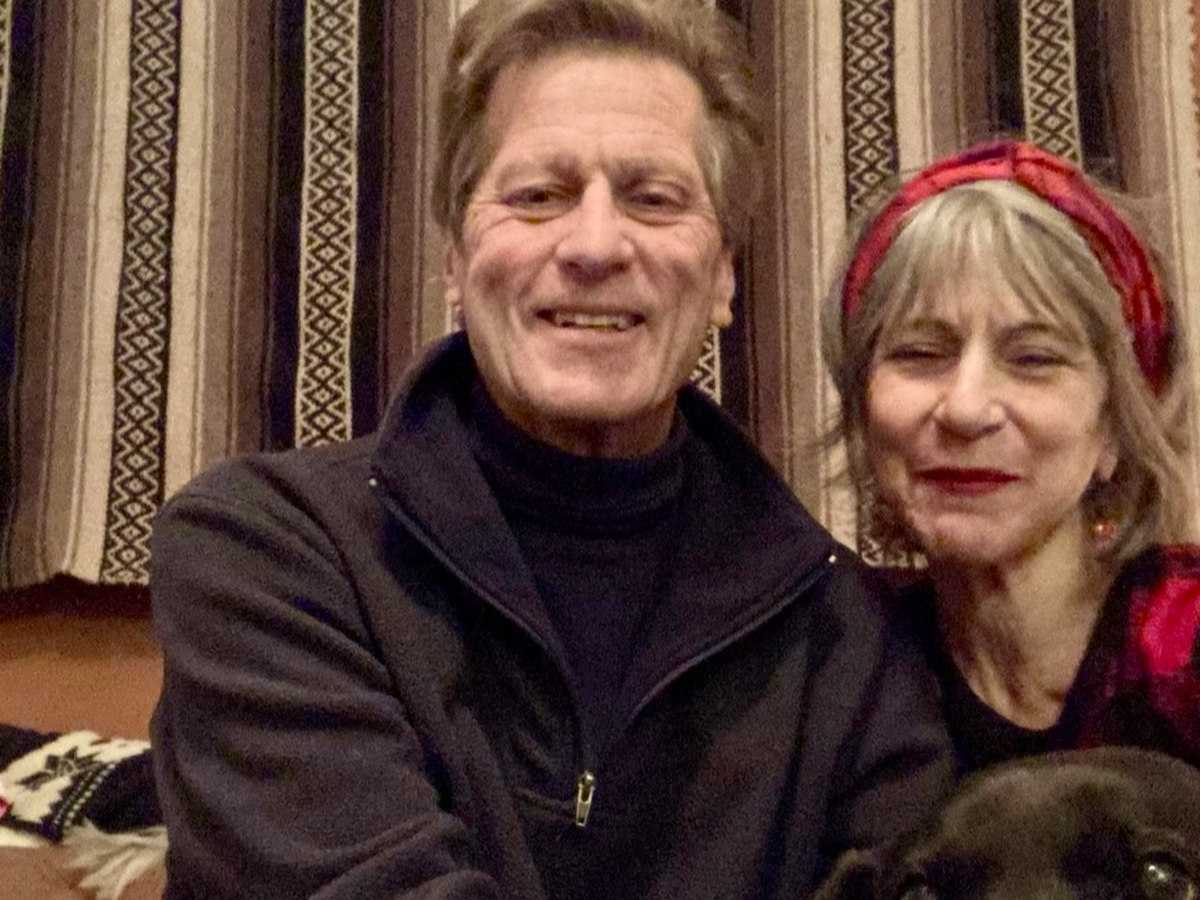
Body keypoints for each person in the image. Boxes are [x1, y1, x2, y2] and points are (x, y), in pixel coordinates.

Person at [151, 1, 954, 897]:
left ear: (723, 276)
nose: (595, 245)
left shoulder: (844, 642)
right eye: (538, 196)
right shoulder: (267, 554)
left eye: (654, 199)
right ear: (455, 262)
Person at [822, 139, 1200, 775]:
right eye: (920, 353)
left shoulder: (1183, 652)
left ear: (1116, 426)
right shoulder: (840, 664)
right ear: (864, 414)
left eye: (1033, 359)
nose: (966, 409)